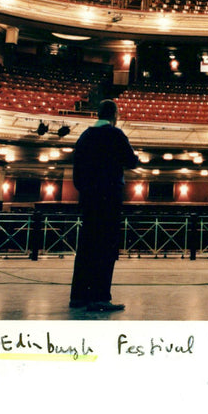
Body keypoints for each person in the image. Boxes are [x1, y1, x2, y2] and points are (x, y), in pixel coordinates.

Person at [69, 99, 138, 311]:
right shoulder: (115, 134)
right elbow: (132, 161)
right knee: (106, 248)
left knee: (87, 247)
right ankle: (100, 297)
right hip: (109, 200)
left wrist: (87, 192)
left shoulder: (84, 136)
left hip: (89, 200)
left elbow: (77, 173)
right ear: (114, 115)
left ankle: (79, 297)